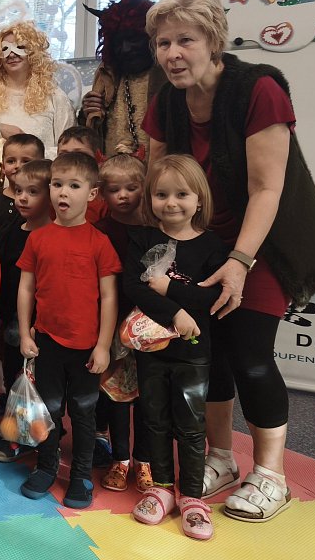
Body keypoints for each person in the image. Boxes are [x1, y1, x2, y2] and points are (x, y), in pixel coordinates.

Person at [143, 0, 315, 523]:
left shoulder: (259, 88)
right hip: (200, 242)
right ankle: (220, 457)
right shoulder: (166, 100)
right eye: (163, 43)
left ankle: (271, 474)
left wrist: (239, 261)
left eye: (185, 40)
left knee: (251, 355)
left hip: (266, 240)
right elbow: (157, 178)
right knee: (206, 354)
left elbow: (266, 189)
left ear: (214, 41)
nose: (172, 53)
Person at [123, 155, 227, 540]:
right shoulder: (142, 239)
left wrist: (171, 290)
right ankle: (162, 488)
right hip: (151, 352)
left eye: (182, 194)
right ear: (150, 198)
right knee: (154, 419)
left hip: (193, 355)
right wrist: (176, 313)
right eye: (162, 194)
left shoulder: (212, 246)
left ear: (199, 200)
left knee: (191, 425)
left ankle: (193, 497)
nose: (171, 203)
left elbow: (212, 297)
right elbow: (133, 288)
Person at [17, 151, 120, 508]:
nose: (63, 192)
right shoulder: (38, 238)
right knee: (49, 409)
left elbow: (109, 297)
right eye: (57, 184)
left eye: (74, 186)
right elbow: (26, 288)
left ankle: (80, 475)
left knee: (83, 413)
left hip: (86, 347)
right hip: (47, 342)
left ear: (92, 194)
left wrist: (103, 345)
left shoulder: (99, 243)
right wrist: (25, 333)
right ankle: (46, 466)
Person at [93, 153, 153, 493]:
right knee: (117, 396)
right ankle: (120, 458)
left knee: (147, 397)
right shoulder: (99, 232)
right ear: (102, 193)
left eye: (131, 188)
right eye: (114, 190)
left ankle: (144, 460)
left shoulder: (155, 231)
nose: (123, 196)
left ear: (144, 187)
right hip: (113, 326)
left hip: (149, 327)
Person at [0, 20, 75, 179]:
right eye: (5, 49)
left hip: (40, 187)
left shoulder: (55, 97)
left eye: (19, 47)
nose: (12, 54)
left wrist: (30, 155)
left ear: (33, 53)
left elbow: (69, 152)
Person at [0, 158, 52, 463]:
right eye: (18, 191)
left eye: (33, 192)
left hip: (39, 323)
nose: (23, 198)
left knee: (38, 381)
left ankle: (32, 436)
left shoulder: (52, 234)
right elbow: (3, 276)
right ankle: (16, 429)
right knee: (13, 375)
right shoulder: (13, 230)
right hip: (12, 318)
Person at [81, 0, 166, 156]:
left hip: (159, 168)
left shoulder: (169, 76)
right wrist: (88, 113)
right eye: (118, 42)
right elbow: (91, 136)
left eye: (133, 39)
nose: (126, 48)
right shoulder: (106, 76)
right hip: (110, 169)